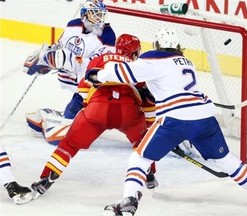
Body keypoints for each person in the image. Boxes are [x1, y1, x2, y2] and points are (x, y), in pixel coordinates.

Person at [92, 28, 247, 216]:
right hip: (205, 117)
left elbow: (123, 71)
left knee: (140, 158)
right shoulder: (188, 62)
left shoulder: (153, 58)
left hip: (175, 119)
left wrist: (99, 75)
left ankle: (129, 201)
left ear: (157, 45)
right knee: (224, 158)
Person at [30, 34, 158, 201]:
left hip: (98, 107)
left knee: (69, 145)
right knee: (142, 145)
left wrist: (89, 107)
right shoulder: (137, 66)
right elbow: (148, 101)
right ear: (134, 52)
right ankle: (150, 175)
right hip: (128, 112)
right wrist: (148, 127)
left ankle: (45, 179)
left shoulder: (100, 59)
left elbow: (83, 87)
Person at [23, 0, 116, 144]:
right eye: (95, 14)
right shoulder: (73, 24)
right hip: (69, 77)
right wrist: (45, 60)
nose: (100, 19)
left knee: (69, 127)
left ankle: (48, 118)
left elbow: (98, 65)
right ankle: (57, 120)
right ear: (84, 15)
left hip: (90, 83)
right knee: (68, 130)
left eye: (101, 15)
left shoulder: (107, 36)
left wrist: (67, 60)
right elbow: (59, 47)